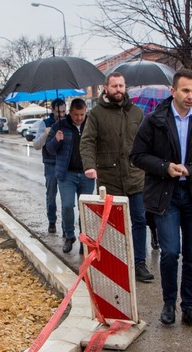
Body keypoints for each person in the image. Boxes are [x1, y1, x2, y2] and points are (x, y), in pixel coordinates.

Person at [130, 69, 192, 329]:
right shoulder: (155, 120)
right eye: (185, 91)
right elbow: (137, 155)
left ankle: (189, 306)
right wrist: (164, 167)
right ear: (173, 91)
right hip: (166, 194)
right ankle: (169, 302)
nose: (190, 96)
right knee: (171, 252)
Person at [81, 72, 154, 283]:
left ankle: (139, 263)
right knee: (111, 223)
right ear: (106, 88)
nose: (118, 90)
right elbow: (87, 142)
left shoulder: (137, 113)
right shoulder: (96, 114)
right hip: (109, 178)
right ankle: (113, 263)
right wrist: (89, 166)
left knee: (140, 220)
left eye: (121, 86)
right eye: (114, 86)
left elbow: (147, 142)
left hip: (135, 176)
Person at [45, 98, 94, 254]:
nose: (79, 118)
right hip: (67, 174)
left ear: (86, 111)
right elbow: (49, 149)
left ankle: (83, 239)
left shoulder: (91, 126)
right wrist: (56, 140)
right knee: (67, 205)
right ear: (70, 112)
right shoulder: (59, 126)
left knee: (84, 209)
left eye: (82, 114)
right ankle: (69, 236)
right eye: (76, 115)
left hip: (86, 173)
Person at [34, 99, 67, 234]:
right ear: (53, 110)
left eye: (64, 111)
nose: (62, 114)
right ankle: (52, 221)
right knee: (51, 195)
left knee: (66, 198)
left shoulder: (67, 122)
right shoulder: (45, 123)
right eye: (59, 111)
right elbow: (36, 145)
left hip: (65, 163)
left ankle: (66, 226)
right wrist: (46, 133)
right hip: (50, 164)